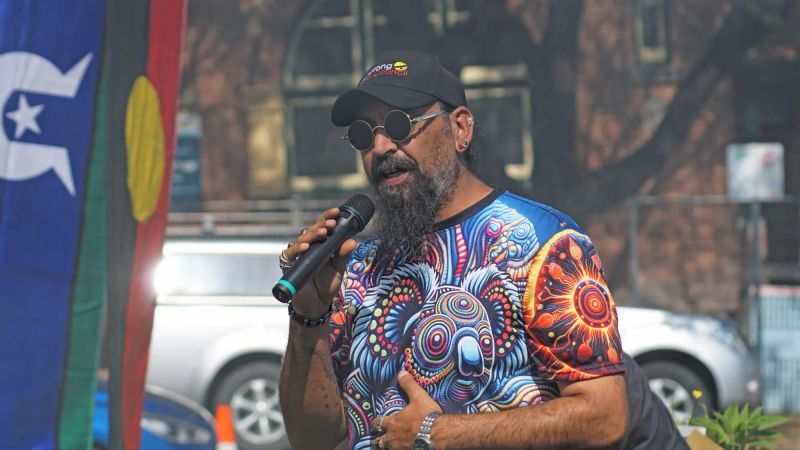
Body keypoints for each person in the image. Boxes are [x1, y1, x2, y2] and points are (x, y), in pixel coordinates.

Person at [278, 49, 628, 450]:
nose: (380, 146)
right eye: (363, 134)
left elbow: (605, 416)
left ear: (461, 128)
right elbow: (311, 438)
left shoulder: (544, 244)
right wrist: (309, 315)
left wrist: (437, 434)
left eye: (400, 124)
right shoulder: (357, 265)